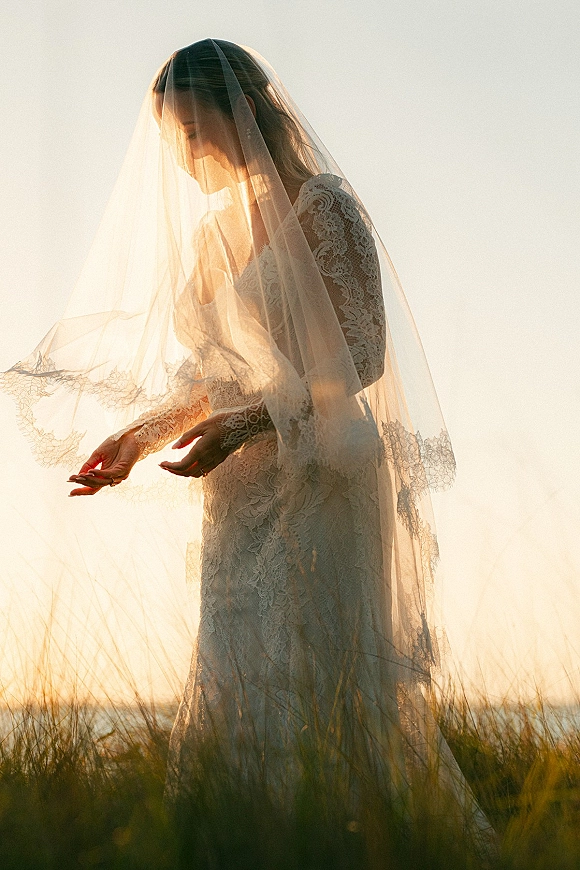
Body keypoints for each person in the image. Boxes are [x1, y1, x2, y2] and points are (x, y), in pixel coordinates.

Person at [2, 39, 493, 846]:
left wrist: (239, 426)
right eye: (176, 136)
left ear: (246, 109)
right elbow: (210, 381)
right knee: (234, 680)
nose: (186, 154)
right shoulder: (208, 241)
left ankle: (357, 848)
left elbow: (363, 354)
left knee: (313, 682)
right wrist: (135, 437)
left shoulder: (323, 205)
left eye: (196, 130)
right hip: (233, 497)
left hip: (318, 482)